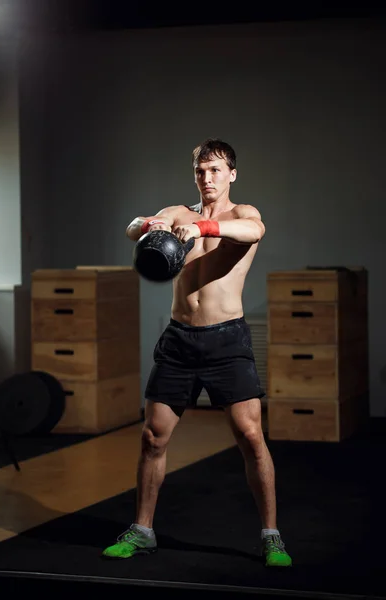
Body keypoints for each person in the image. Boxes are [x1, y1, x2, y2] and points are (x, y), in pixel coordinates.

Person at [102, 138, 292, 567]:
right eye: (201, 171)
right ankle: (143, 530)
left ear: (232, 174)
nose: (208, 179)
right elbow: (135, 227)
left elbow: (254, 231)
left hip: (228, 341)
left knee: (250, 437)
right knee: (153, 437)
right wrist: (151, 224)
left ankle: (271, 535)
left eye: (216, 171)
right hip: (180, 341)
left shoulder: (242, 215)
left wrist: (204, 229)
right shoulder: (177, 215)